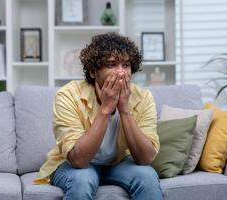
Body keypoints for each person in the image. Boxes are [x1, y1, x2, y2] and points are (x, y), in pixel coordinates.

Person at [33, 32, 162, 200]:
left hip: (118, 163)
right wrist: (106, 109)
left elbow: (145, 158)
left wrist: (124, 110)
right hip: (76, 166)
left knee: (147, 177)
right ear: (93, 72)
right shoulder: (68, 95)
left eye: (126, 65)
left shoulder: (143, 98)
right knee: (82, 179)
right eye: (112, 65)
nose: (121, 73)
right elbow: (78, 160)